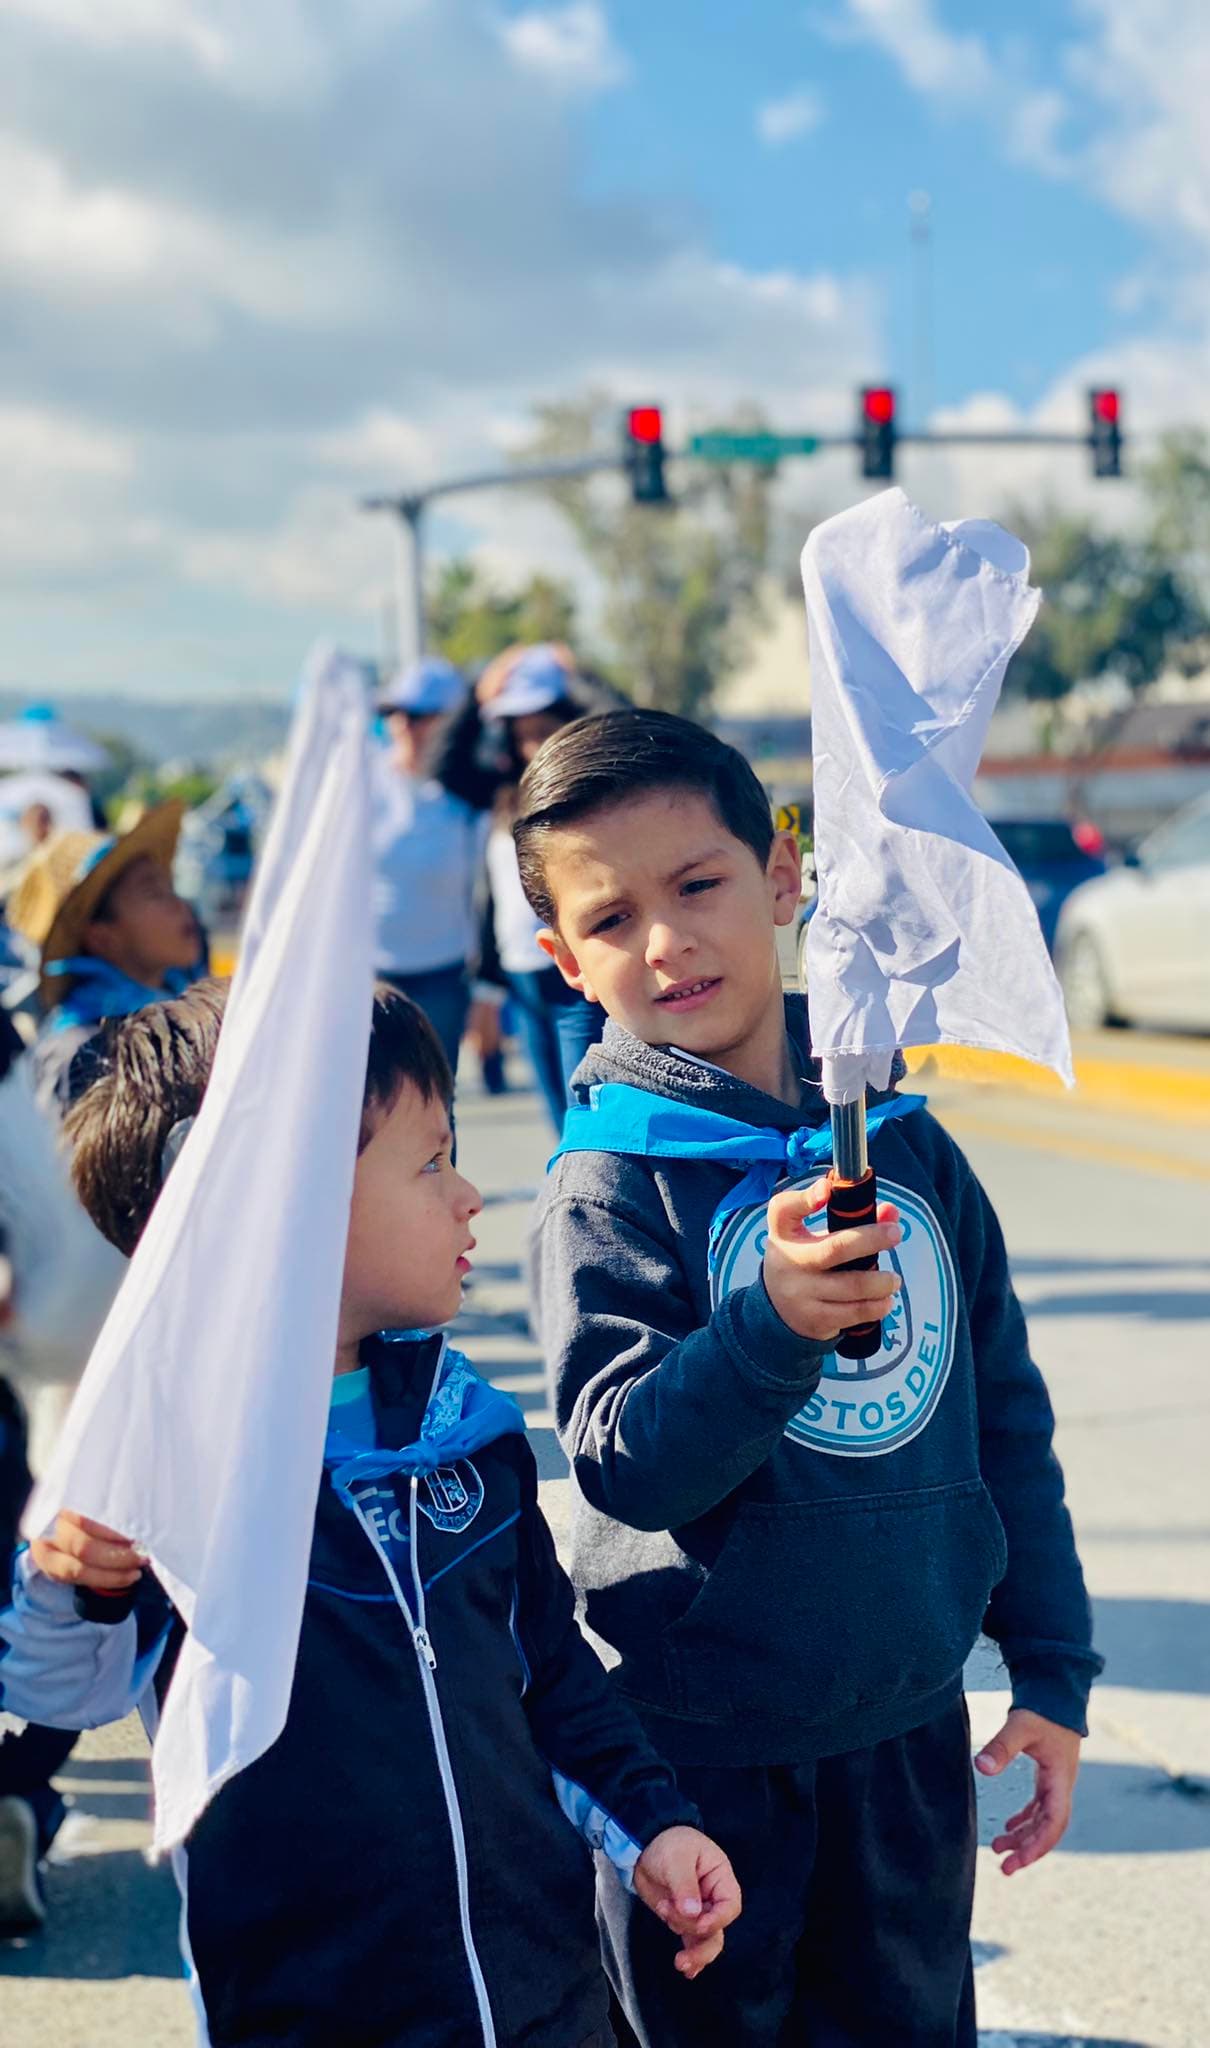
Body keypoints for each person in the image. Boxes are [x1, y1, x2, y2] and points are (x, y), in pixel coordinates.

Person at [0, 981, 741, 2043]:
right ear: (275, 1208)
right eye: (431, 1162)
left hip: (549, 2001)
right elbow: (57, 1689)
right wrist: (70, 1572)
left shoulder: (466, 1425)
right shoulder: (170, 1465)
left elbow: (551, 1674)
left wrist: (654, 1826)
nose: (468, 1195)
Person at [517, 709, 1102, 2048]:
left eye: (698, 884)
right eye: (610, 920)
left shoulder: (903, 1143)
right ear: (563, 960)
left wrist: (1051, 1666)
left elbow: (1001, 1413)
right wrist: (769, 1326)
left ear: (781, 875)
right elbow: (626, 1461)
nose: (665, 942)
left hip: (907, 1735)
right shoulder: (608, 1184)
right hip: (699, 1761)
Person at [444, 644, 609, 1130]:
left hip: (573, 973)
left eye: (543, 730)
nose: (532, 745)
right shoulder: (501, 790)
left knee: (585, 1111)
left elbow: (625, 724)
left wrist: (579, 674)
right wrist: (478, 693)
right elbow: (444, 765)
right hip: (520, 973)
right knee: (558, 1117)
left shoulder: (587, 787)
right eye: (521, 735)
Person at [6, 802, 201, 1118]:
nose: (179, 905)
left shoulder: (177, 1011)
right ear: (102, 938)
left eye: (170, 888)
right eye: (153, 893)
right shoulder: (81, 1056)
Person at [370, 657, 486, 1078]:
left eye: (420, 715)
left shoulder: (468, 795)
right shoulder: (363, 783)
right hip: (369, 973)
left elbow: (487, 892)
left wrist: (487, 992)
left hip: (443, 974)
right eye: (394, 712)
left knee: (435, 1095)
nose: (404, 725)